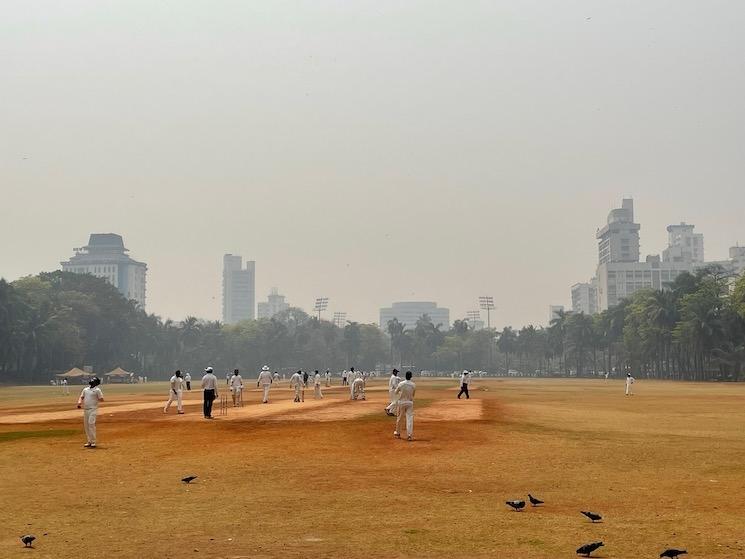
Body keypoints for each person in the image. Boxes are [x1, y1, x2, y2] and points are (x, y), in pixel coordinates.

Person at [77, 377, 104, 448]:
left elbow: (102, 399)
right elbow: (81, 397)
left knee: (91, 423)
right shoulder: (85, 389)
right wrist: (79, 402)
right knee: (86, 425)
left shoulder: (97, 390)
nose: (91, 381)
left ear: (96, 383)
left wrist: (99, 399)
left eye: (93, 381)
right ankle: (89, 441)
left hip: (93, 409)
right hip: (86, 410)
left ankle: (93, 442)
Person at [393, 371, 416, 441]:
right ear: (411, 377)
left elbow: (396, 392)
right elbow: (413, 395)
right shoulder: (413, 385)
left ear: (405, 376)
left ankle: (398, 432)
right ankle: (409, 435)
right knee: (409, 419)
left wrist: (401, 392)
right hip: (409, 402)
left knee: (400, 418)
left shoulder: (401, 384)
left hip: (402, 402)